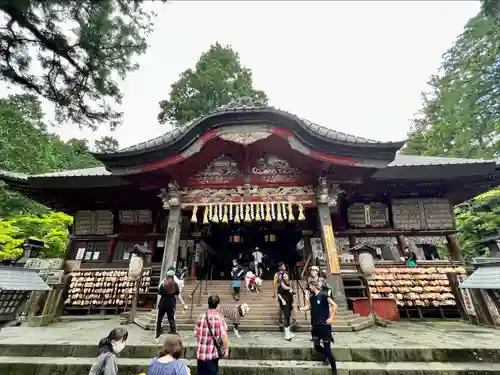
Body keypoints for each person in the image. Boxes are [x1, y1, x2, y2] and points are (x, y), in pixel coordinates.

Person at [299, 280, 338, 375]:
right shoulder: (312, 298)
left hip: (324, 326)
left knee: (327, 349)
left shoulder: (324, 295)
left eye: (309, 286)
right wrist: (302, 308)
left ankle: (334, 370)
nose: (309, 287)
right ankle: (327, 356)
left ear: (313, 285)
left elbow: (335, 305)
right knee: (316, 345)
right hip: (315, 326)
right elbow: (309, 307)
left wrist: (332, 317)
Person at [194, 295, 229, 375]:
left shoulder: (201, 316)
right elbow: (224, 336)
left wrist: (202, 342)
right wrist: (226, 350)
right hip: (213, 355)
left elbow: (195, 333)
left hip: (201, 355)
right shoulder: (220, 318)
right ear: (218, 305)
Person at [156, 269, 187, 340]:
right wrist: (182, 302)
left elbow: (159, 295)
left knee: (160, 319)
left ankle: (158, 332)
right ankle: (173, 332)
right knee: (171, 319)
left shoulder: (163, 284)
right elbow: (178, 294)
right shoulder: (175, 284)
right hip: (171, 303)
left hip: (163, 303)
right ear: (173, 276)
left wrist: (158, 304)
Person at [277, 272, 295, 341]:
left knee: (289, 316)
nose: (285, 278)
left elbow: (292, 292)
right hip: (284, 302)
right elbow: (278, 293)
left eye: (286, 276)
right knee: (286, 316)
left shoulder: (290, 283)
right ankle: (286, 334)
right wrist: (282, 300)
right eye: (284, 277)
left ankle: (289, 332)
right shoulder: (281, 284)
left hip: (290, 301)